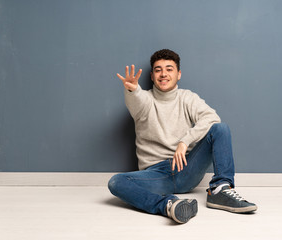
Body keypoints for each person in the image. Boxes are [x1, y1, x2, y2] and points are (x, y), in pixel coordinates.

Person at [108, 49, 257, 224]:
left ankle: (219, 190)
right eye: (158, 70)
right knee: (116, 182)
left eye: (169, 69)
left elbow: (211, 118)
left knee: (220, 129)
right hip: (156, 176)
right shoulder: (146, 100)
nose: (163, 74)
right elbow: (137, 100)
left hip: (187, 169)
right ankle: (169, 205)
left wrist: (184, 142)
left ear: (178, 74)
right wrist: (133, 90)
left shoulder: (187, 98)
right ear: (152, 76)